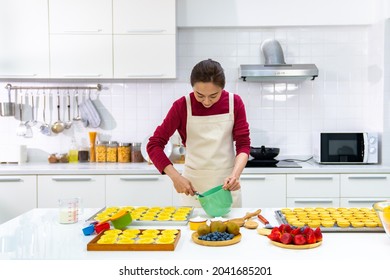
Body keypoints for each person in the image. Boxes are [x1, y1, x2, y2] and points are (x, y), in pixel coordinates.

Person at [147, 59, 250, 207]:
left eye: (214, 96)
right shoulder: (181, 106)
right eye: (200, 95)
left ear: (222, 88)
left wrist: (235, 175)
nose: (206, 102)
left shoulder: (235, 103)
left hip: (226, 186)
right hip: (193, 188)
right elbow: (154, 145)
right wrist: (176, 177)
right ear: (192, 87)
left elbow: (243, 144)